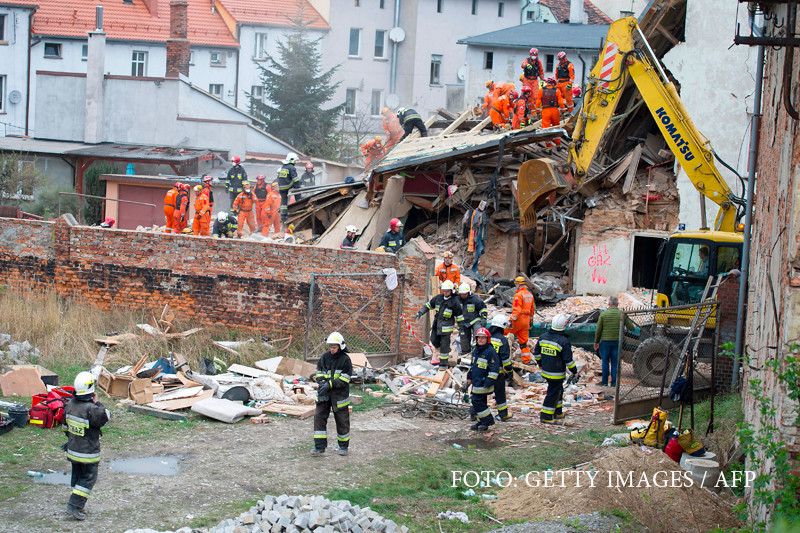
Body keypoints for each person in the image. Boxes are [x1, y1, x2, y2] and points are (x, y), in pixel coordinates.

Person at [64, 371, 109, 520]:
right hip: (88, 453)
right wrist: (98, 403)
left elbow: (66, 427)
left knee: (76, 475)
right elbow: (105, 417)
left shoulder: (69, 405)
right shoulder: (92, 409)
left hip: (73, 449)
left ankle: (75, 500)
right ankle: (74, 505)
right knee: (89, 477)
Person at [312, 332, 353, 456]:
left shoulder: (345, 360)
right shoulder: (325, 357)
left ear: (340, 346)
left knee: (342, 421)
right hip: (324, 394)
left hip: (339, 396)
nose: (331, 349)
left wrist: (330, 384)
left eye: (334, 347)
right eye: (330, 347)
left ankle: (343, 447)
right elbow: (318, 372)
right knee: (319, 417)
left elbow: (345, 379)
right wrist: (322, 382)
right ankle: (319, 447)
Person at [533, 314, 578, 424]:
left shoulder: (543, 337)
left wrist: (540, 363)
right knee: (553, 393)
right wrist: (574, 371)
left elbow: (537, 353)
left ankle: (558, 412)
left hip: (546, 370)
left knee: (558, 390)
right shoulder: (564, 341)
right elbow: (568, 360)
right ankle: (546, 416)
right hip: (556, 373)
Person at [415, 280, 464, 368]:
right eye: (444, 291)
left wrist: (461, 329)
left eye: (447, 291)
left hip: (447, 329)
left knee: (444, 346)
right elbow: (428, 305)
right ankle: (444, 351)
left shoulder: (455, 301)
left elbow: (460, 316)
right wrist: (420, 313)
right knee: (433, 340)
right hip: (437, 326)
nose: (445, 293)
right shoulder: (438, 298)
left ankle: (443, 365)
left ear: (451, 291)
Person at [593, 296, 636, 387]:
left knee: (605, 361)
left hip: (605, 342)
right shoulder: (622, 314)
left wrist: (596, 342)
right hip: (617, 342)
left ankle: (604, 382)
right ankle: (613, 383)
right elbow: (631, 328)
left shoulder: (603, 314)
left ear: (608, 304)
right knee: (614, 362)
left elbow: (598, 330)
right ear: (617, 304)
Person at [466, 327, 500, 431]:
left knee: (476, 402)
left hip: (483, 383)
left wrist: (488, 382)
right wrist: (469, 378)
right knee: (480, 402)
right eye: (478, 338)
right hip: (476, 382)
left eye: (483, 338)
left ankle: (488, 420)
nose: (480, 340)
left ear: (487, 339)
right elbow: (473, 366)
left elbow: (494, 369)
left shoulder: (490, 351)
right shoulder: (476, 350)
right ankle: (482, 421)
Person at [504, 276, 535, 363]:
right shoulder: (530, 295)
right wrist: (531, 321)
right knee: (523, 342)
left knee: (503, 332)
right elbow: (532, 310)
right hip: (526, 321)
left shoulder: (518, 295)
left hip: (519, 319)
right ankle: (527, 360)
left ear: (518, 284)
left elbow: (517, 311)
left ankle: (502, 355)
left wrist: (510, 321)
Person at [488, 314, 513, 421]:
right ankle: (503, 414)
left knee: (479, 393)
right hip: (497, 373)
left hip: (482, 370)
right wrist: (510, 371)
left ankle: (474, 413)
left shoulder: (484, 336)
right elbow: (505, 359)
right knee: (500, 393)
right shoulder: (502, 340)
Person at [535, 77, 566, 149]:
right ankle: (558, 145)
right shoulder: (557, 91)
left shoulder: (541, 91)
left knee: (546, 130)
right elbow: (561, 102)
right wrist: (563, 111)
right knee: (557, 128)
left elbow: (538, 102)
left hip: (545, 111)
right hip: (555, 111)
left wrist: (537, 112)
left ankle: (549, 148)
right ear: (553, 83)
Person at [458, 282, 487, 354]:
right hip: (464, 321)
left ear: (468, 292)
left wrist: (483, 318)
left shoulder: (475, 299)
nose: (464, 295)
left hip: (475, 320)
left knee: (477, 334)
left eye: (465, 294)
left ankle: (477, 351)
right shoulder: (457, 300)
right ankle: (465, 353)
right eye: (462, 294)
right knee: (464, 338)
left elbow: (483, 308)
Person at [277, 152, 300, 228]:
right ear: (292, 160)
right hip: (288, 185)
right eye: (295, 161)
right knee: (297, 189)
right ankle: (299, 201)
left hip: (281, 187)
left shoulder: (283, 167)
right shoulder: (292, 168)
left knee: (284, 201)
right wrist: (298, 185)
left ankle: (283, 216)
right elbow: (295, 178)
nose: (295, 162)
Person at [468, 200, 489, 271]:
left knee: (479, 248)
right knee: (478, 249)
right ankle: (474, 268)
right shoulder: (476, 212)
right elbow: (474, 223)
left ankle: (475, 268)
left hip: (480, 234)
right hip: (477, 234)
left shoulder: (482, 213)